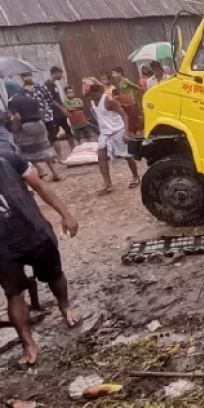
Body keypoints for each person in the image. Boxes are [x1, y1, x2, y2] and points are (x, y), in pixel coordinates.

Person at [0, 151, 80, 366]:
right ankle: (27, 342)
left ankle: (65, 306)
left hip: (33, 230)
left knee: (54, 274)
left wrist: (66, 214)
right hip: (2, 246)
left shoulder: (9, 159)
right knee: (14, 293)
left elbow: (41, 186)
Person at [88, 84, 140, 194]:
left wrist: (126, 132)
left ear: (97, 92)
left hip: (118, 130)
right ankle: (107, 183)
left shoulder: (109, 101)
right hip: (105, 133)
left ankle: (136, 176)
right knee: (101, 156)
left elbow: (124, 115)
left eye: (91, 94)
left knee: (127, 155)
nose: (90, 96)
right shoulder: (92, 102)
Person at [7, 76, 61, 181]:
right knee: (44, 149)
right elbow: (40, 112)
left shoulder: (12, 101)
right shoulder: (30, 98)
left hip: (26, 127)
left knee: (28, 152)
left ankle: (41, 172)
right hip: (39, 125)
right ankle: (55, 173)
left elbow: (17, 117)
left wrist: (15, 125)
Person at [42, 66, 76, 155]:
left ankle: (74, 149)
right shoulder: (48, 84)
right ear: (56, 73)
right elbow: (51, 99)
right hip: (54, 113)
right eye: (61, 73)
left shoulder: (53, 84)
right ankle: (57, 155)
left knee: (67, 129)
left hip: (59, 112)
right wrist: (62, 109)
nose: (62, 76)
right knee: (54, 134)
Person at [110, 67, 143, 137]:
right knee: (127, 118)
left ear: (119, 73)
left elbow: (137, 87)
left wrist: (134, 96)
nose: (113, 76)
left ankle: (138, 132)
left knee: (133, 118)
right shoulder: (118, 83)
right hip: (124, 103)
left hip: (130, 103)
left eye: (114, 73)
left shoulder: (125, 80)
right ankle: (131, 133)